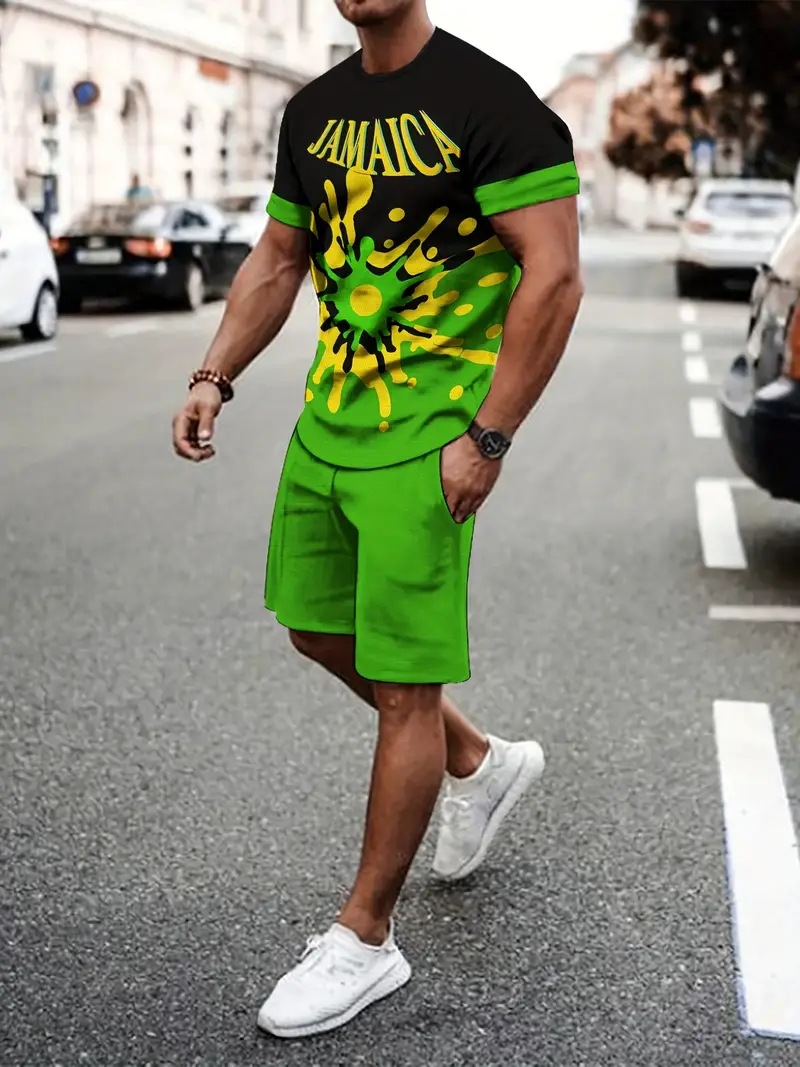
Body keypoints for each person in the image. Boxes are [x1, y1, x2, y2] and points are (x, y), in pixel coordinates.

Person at [172, 0, 582, 1040]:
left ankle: (366, 937)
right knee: (315, 628)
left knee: (405, 685)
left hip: (430, 433)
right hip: (329, 424)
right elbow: (278, 257)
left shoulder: (490, 103)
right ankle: (478, 760)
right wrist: (215, 372)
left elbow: (554, 272)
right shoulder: (313, 110)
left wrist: (487, 435)